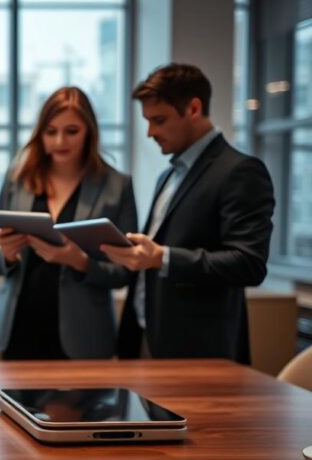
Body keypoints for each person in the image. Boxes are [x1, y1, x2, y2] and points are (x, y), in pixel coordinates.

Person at [104, 64, 274, 363]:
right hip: (147, 340)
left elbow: (249, 264)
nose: (150, 132)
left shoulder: (240, 171)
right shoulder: (167, 177)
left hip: (199, 352)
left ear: (194, 108)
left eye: (159, 120)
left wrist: (161, 257)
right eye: (147, 121)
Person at [0, 87, 137, 359]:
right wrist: (6, 255)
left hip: (84, 336)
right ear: (40, 133)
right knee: (12, 402)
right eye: (50, 131)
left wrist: (80, 261)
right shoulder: (18, 179)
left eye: (72, 131)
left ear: (89, 131)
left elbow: (125, 271)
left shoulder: (117, 186)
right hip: (19, 329)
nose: (60, 141)